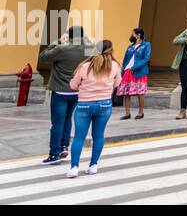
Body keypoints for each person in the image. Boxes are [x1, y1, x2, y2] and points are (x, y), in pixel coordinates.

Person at [36, 26, 92, 166]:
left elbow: (43, 57)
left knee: (57, 123)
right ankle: (63, 147)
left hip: (60, 91)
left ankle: (54, 154)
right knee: (67, 118)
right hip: (76, 91)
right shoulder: (88, 49)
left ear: (70, 36)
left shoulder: (62, 48)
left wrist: (58, 41)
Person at [67, 39, 121, 178]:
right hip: (104, 104)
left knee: (79, 137)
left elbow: (73, 85)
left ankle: (74, 167)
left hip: (84, 104)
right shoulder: (115, 66)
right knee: (98, 136)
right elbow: (117, 84)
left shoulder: (85, 66)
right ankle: (93, 165)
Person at [118, 28, 151, 120]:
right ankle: (127, 113)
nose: (131, 36)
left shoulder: (146, 45)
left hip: (139, 71)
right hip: (128, 71)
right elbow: (125, 59)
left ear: (138, 35)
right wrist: (124, 68)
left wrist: (135, 67)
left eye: (133, 34)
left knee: (140, 92)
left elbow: (146, 58)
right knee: (126, 93)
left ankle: (141, 112)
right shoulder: (130, 47)